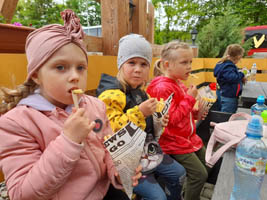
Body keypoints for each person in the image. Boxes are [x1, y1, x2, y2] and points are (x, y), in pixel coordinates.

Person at [0, 10, 141, 200]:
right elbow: (22, 193)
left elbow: (108, 147)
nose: (75, 76)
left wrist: (117, 169)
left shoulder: (95, 106)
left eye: (80, 67)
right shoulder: (17, 123)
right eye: (60, 67)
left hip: (103, 191)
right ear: (35, 75)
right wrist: (69, 140)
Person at [96, 34, 186, 200]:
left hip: (148, 152)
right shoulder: (112, 93)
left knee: (179, 173)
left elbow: (150, 124)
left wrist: (160, 121)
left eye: (143, 64)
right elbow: (112, 130)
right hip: (126, 162)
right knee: (158, 197)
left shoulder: (141, 92)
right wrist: (140, 112)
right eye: (132, 62)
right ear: (121, 64)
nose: (138, 69)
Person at [146, 41, 210, 200]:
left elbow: (182, 114)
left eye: (190, 62)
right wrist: (189, 98)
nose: (189, 66)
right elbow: (171, 120)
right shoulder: (162, 88)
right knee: (199, 175)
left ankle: (186, 191)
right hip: (172, 141)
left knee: (206, 165)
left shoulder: (178, 83)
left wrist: (197, 113)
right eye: (184, 62)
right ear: (168, 65)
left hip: (186, 138)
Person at [214, 44, 246, 113]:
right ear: (237, 57)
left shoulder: (224, 64)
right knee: (227, 117)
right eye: (239, 59)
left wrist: (238, 72)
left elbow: (228, 76)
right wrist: (242, 74)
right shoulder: (228, 66)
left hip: (225, 94)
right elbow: (232, 78)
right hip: (229, 97)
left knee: (224, 115)